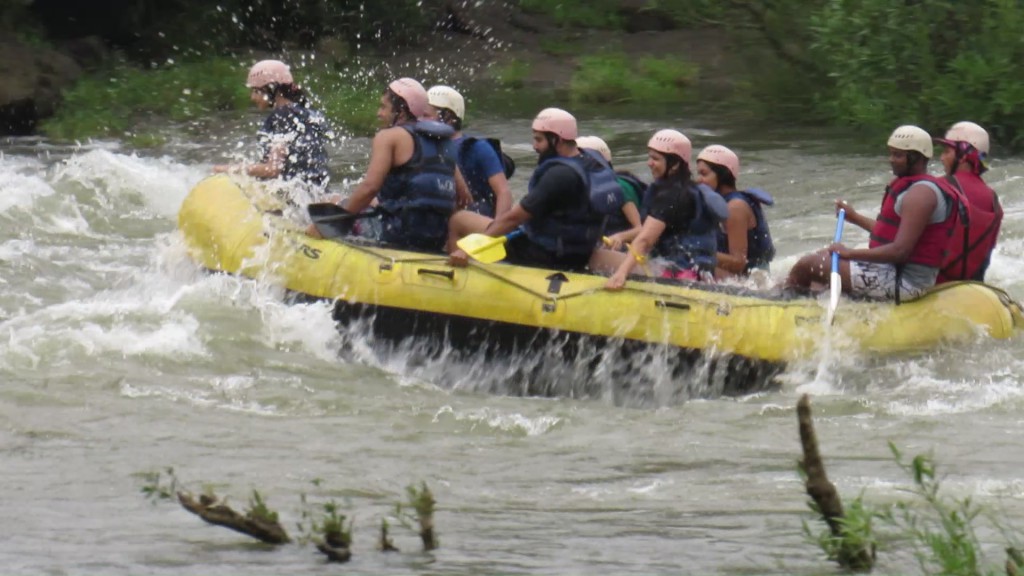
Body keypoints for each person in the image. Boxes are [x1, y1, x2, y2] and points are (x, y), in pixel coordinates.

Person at [786, 125, 964, 302]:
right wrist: (854, 217)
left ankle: (782, 300)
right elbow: (890, 234)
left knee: (808, 265)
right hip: (891, 270)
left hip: (905, 283)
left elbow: (900, 251)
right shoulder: (913, 188)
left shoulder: (921, 195)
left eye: (898, 155)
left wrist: (849, 253)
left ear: (916, 157)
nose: (891, 160)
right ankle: (800, 298)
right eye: (891, 153)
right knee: (822, 257)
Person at [307, 77, 469, 252]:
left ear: (401, 111)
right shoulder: (444, 142)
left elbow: (369, 188)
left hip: (394, 235)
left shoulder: (389, 137)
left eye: (383, 107)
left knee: (334, 201)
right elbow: (464, 197)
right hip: (435, 239)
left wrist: (332, 222)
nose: (379, 113)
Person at [446, 107, 602, 271]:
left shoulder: (559, 175)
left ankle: (456, 271)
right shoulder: (592, 165)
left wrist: (472, 249)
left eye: (539, 140)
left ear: (558, 140)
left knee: (459, 220)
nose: (534, 146)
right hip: (579, 251)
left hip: (543, 254)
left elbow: (514, 218)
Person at [590, 129, 719, 289]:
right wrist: (622, 237)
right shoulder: (688, 189)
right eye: (650, 157)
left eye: (655, 159)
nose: (649, 163)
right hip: (695, 272)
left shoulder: (671, 196)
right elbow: (650, 230)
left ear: (675, 164)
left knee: (595, 256)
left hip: (674, 275)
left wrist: (621, 274)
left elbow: (645, 240)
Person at [213, 59, 330, 201]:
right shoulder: (307, 113)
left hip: (295, 197)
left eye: (256, 91)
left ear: (272, 88)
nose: (253, 97)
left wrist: (228, 169)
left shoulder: (282, 116)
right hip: (317, 192)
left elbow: (273, 169)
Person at [426, 85, 513, 218]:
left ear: (448, 116)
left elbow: (503, 192)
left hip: (475, 220)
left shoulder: (478, 148)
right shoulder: (423, 146)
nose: (419, 121)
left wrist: (496, 228)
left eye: (426, 115)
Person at [933, 121, 1002, 283]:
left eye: (947, 151)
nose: (941, 157)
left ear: (964, 155)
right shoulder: (993, 199)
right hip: (973, 287)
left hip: (933, 285)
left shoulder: (936, 187)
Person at [695, 145, 776, 278]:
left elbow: (739, 263)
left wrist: (697, 252)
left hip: (753, 280)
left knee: (696, 267)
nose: (699, 180)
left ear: (722, 175)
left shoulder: (735, 207)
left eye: (704, 174)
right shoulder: (716, 202)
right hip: (735, 275)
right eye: (698, 174)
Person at [576, 135, 643, 238]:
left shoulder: (621, 187)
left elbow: (640, 229)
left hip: (620, 246)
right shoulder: (577, 187)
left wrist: (619, 237)